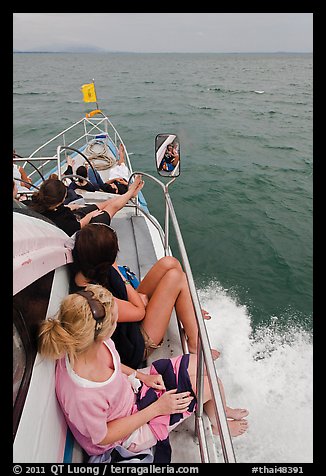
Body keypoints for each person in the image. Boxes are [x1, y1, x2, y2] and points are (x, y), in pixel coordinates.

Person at [37, 284, 249, 462]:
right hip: (127, 432)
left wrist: (142, 377)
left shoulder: (92, 345)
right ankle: (218, 426)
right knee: (209, 384)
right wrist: (157, 408)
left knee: (201, 366)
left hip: (133, 391)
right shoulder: (82, 394)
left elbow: (115, 366)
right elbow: (102, 437)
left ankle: (220, 412)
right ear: (102, 332)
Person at [70, 222, 220, 369]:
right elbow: (140, 312)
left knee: (169, 262)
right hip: (136, 342)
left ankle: (188, 309)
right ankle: (195, 345)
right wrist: (123, 279)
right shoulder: (95, 300)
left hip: (128, 314)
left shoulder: (86, 270)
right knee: (177, 278)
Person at [27, 175, 144, 237]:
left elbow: (56, 211)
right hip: (77, 230)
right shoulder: (63, 222)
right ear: (61, 199)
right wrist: (90, 215)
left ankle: (129, 195)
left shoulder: (35, 204)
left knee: (100, 205)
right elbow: (79, 225)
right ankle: (130, 192)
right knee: (109, 209)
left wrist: (71, 207)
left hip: (70, 216)